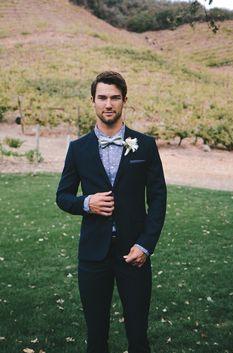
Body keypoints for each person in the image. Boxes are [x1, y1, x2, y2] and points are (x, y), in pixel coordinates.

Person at [56, 71, 167, 353]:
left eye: (115, 98)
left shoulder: (145, 145)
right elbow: (62, 196)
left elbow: (158, 199)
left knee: (138, 337)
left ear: (124, 101)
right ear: (93, 101)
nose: (108, 104)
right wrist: (86, 203)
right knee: (96, 337)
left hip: (134, 254)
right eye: (102, 97)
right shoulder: (78, 148)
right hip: (93, 256)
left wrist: (145, 245)